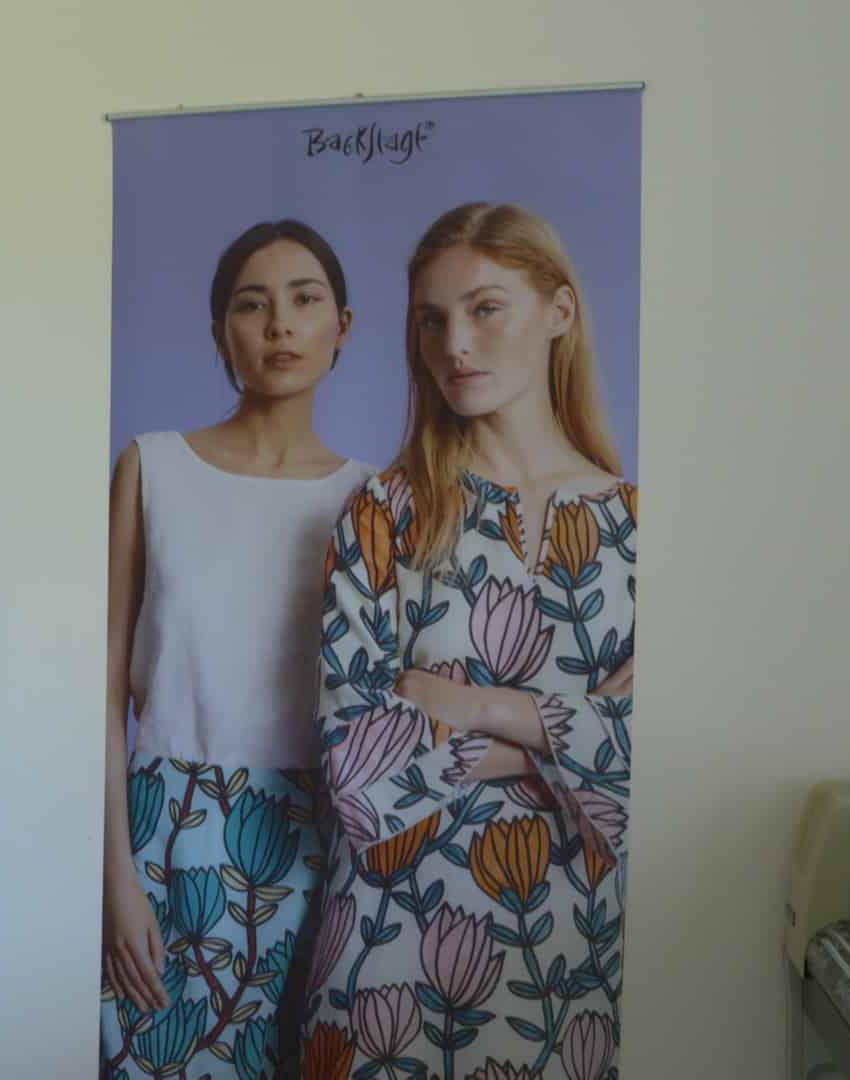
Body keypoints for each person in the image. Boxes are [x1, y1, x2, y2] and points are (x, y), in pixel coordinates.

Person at [298, 203, 634, 1080]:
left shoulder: (642, 532)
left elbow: (663, 764)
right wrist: (573, 731)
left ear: (559, 311)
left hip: (575, 960)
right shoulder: (383, 514)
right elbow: (355, 767)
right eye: (431, 319)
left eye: (486, 309)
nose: (455, 344)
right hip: (387, 963)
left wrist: (476, 707)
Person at [101, 220, 376, 1078]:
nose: (280, 325)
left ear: (343, 326)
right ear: (221, 332)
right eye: (252, 306)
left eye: (305, 300)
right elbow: (101, 693)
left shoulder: (369, 499)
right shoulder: (152, 468)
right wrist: (115, 879)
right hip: (162, 828)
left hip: (319, 838)